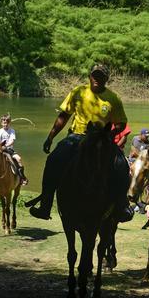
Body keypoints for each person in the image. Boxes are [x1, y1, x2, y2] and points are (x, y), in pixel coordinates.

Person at [25, 63, 131, 221]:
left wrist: (110, 134)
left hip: (102, 140)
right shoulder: (78, 92)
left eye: (101, 76)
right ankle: (45, 205)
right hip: (77, 136)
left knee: (122, 165)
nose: (97, 79)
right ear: (90, 76)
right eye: (95, 75)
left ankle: (121, 206)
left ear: (106, 79)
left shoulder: (113, 98)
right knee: (54, 160)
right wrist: (51, 136)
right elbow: (63, 116)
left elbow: (121, 123)